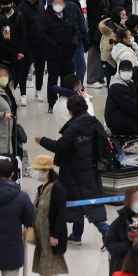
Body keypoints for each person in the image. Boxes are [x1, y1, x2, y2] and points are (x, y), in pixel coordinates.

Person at [36, 95, 109, 244]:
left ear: (70, 111)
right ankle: (76, 235)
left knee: (86, 204)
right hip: (91, 170)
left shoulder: (72, 129)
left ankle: (108, 235)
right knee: (83, 203)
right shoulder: (95, 123)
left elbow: (59, 146)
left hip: (73, 173)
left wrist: (42, 140)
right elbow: (105, 145)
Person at [28, 155, 75, 276]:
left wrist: (55, 235)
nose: (35, 173)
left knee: (46, 270)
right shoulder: (42, 188)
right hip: (41, 236)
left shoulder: (57, 187)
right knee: (44, 270)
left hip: (50, 236)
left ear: (46, 171)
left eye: (37, 170)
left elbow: (61, 213)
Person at [40, 0, 78, 112]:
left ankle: (66, 103)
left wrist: (73, 43)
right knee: (53, 80)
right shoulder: (46, 17)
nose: (57, 5)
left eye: (59, 3)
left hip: (68, 55)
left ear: (64, 5)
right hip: (53, 56)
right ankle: (52, 104)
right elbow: (42, 34)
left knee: (67, 80)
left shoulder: (69, 16)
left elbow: (75, 31)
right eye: (55, 2)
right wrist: (54, 45)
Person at [16, 0, 46, 103]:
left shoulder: (41, 7)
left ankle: (38, 91)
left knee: (40, 68)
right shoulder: (21, 8)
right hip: (27, 43)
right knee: (24, 70)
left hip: (40, 43)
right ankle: (23, 94)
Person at [0, 0, 27, 95]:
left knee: (15, 74)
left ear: (12, 4)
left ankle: (11, 91)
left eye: (7, 5)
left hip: (15, 50)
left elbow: (23, 35)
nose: (5, 7)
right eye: (3, 5)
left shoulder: (19, 16)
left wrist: (21, 51)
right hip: (1, 50)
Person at [65, 0, 90, 89]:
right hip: (75, 41)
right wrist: (82, 38)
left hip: (73, 40)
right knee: (81, 66)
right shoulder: (72, 5)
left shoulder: (70, 3)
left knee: (74, 66)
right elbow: (76, 24)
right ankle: (78, 89)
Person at [85, 0, 109, 88]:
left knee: (103, 55)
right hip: (94, 30)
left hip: (104, 29)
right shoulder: (91, 0)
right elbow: (96, 15)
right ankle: (91, 79)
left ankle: (100, 77)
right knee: (94, 56)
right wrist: (105, 16)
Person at [100, 7, 127, 82]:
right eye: (124, 15)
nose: (126, 17)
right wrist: (115, 65)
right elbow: (107, 52)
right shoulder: (111, 33)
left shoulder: (119, 28)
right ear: (117, 18)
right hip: (110, 64)